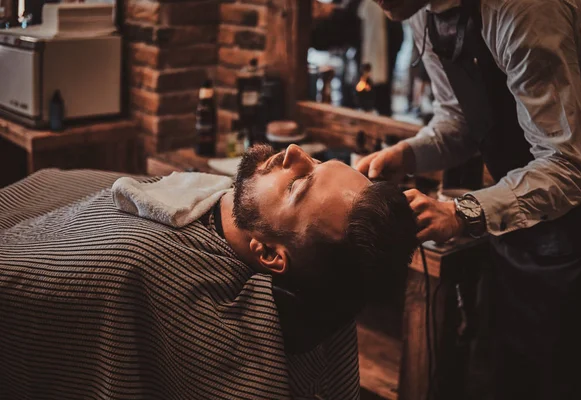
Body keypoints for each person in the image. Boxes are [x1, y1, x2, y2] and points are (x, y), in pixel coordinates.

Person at [0, 145, 419, 399]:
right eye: (317, 160)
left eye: (296, 186)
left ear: (270, 255)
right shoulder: (218, 202)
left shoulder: (134, 266)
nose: (292, 152)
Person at [357, 0, 581, 399]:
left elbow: (567, 166)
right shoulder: (417, 9)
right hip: (520, 222)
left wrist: (462, 212)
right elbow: (460, 120)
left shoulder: (523, 9)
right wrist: (409, 154)